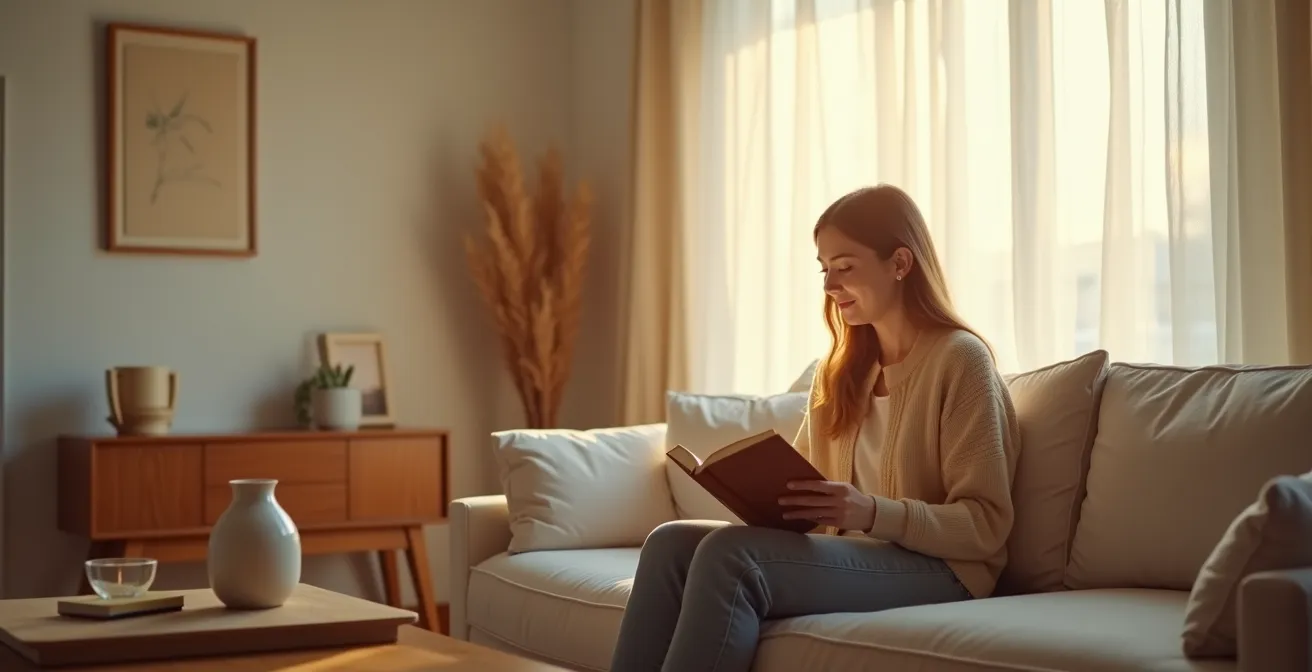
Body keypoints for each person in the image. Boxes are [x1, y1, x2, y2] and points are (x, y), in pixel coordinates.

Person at [608, 184, 1022, 672]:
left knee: (732, 558)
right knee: (670, 543)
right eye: (825, 269)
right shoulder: (840, 369)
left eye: (845, 267)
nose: (829, 286)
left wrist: (870, 511)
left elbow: (985, 525)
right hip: (849, 554)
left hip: (945, 570)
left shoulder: (960, 360)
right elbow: (808, 487)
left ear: (900, 263)